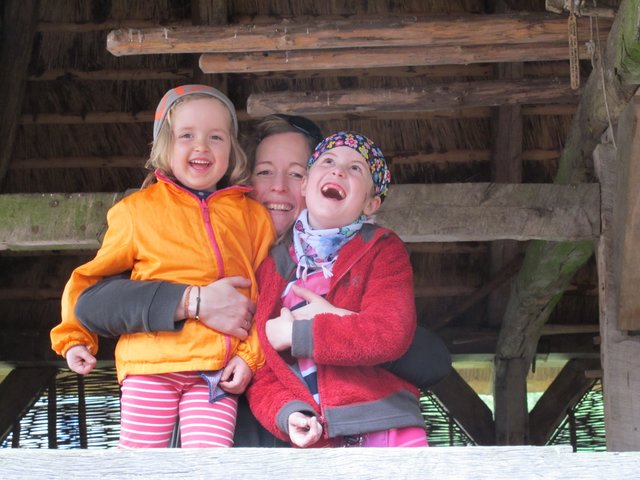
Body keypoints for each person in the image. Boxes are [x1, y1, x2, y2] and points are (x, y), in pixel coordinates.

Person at [74, 115, 451, 447]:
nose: (279, 187)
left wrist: (330, 319)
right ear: (245, 181)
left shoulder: (356, 261)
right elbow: (90, 305)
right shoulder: (211, 258)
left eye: (297, 172)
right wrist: (193, 301)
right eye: (265, 171)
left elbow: (431, 361)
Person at [50, 84, 276, 448]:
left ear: (232, 151)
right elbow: (90, 279)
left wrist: (250, 357)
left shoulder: (253, 217)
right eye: (186, 135)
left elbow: (265, 295)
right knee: (141, 467)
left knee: (210, 467)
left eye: (215, 137)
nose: (201, 146)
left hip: (214, 370)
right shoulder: (137, 212)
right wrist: (75, 338)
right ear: (164, 148)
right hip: (150, 365)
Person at [246, 131, 428, 448]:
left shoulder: (382, 249)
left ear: (371, 202)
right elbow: (263, 372)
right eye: (327, 161)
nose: (338, 170)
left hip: (386, 425)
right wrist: (286, 414)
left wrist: (300, 334)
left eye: (356, 168)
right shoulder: (271, 269)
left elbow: (391, 333)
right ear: (305, 185)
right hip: (317, 439)